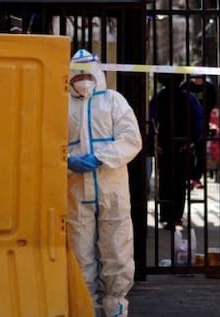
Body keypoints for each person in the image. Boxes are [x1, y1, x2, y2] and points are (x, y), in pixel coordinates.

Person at [67, 49, 143, 317]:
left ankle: (116, 307)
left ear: (98, 75)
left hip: (112, 189)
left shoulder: (113, 101)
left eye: (88, 75)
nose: (83, 80)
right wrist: (67, 161)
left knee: (117, 249)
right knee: (79, 254)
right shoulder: (62, 104)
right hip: (76, 191)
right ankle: (84, 307)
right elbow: (49, 142)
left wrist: (99, 157)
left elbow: (131, 139)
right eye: (78, 76)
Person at [149, 74, 203, 228]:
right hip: (182, 143)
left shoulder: (159, 97)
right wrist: (193, 139)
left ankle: (166, 215)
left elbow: (150, 119)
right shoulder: (189, 97)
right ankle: (177, 216)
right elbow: (198, 119)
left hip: (164, 143)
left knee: (165, 180)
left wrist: (154, 142)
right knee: (180, 182)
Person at [180, 74, 217, 188]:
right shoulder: (186, 86)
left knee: (200, 152)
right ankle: (188, 178)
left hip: (203, 124)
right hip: (186, 125)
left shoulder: (209, 88)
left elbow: (212, 103)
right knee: (187, 152)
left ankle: (196, 178)